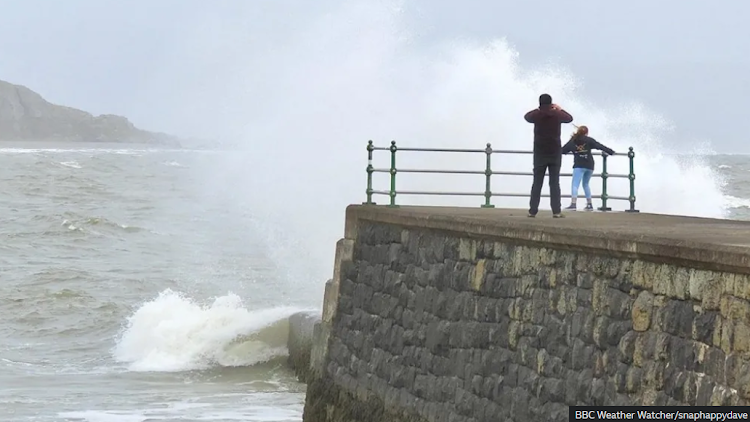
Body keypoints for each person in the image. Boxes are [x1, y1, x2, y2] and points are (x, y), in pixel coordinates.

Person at [523, 93, 574, 218]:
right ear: (551, 103)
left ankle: (532, 211)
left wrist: (539, 109)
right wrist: (558, 108)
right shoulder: (557, 114)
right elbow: (569, 118)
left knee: (537, 182)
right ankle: (556, 211)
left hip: (540, 153)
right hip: (555, 152)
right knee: (554, 183)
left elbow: (526, 116)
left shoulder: (536, 115)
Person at [562, 125, 615, 211]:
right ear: (586, 133)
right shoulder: (589, 140)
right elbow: (599, 146)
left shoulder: (573, 141)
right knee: (586, 184)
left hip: (579, 165)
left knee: (575, 184)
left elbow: (563, 150)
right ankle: (589, 204)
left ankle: (573, 204)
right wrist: (610, 151)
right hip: (589, 165)